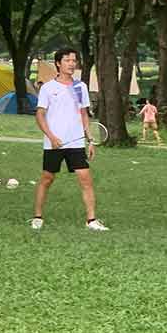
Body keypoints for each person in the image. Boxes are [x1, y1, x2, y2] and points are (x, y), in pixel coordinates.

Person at [31, 48, 108, 231]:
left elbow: (83, 114)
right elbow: (40, 115)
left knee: (85, 179)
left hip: (76, 142)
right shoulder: (48, 88)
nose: (72, 64)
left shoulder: (80, 87)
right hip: (54, 143)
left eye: (74, 60)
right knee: (47, 178)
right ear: (58, 63)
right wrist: (51, 136)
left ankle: (91, 220)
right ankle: (37, 216)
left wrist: (90, 140)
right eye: (67, 60)